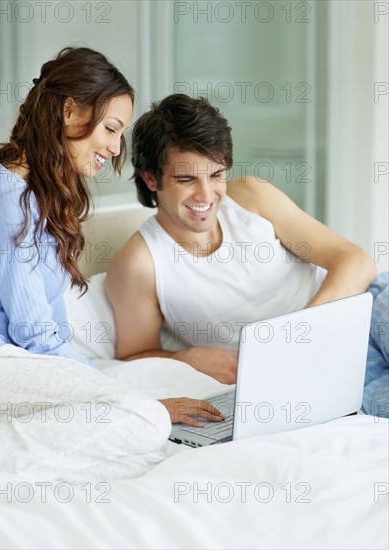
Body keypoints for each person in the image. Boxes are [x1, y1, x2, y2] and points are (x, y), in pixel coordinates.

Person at [0, 50, 221, 427]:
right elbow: (33, 332)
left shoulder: (35, 194)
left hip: (21, 362)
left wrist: (103, 386)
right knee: (141, 427)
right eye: (111, 128)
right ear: (68, 110)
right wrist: (134, 402)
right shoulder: (9, 197)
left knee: (136, 423)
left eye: (120, 133)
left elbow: (51, 327)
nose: (117, 147)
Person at [106, 93, 389, 418]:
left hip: (366, 306)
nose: (206, 195)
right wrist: (188, 358)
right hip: (309, 372)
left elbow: (355, 261)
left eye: (215, 175)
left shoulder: (251, 196)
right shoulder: (140, 262)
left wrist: (302, 334)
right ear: (151, 178)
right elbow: (132, 358)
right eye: (186, 179)